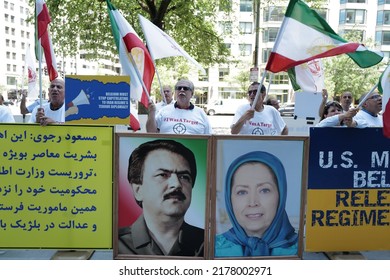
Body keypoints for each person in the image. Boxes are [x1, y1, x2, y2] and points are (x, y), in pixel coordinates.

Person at [118, 139, 204, 256]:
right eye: (163, 175)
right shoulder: (116, 244)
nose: (177, 184)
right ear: (138, 190)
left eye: (184, 177)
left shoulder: (210, 243)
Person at [215, 151, 298, 257]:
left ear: (281, 195)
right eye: (242, 192)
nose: (253, 202)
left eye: (264, 190)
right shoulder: (211, 248)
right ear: (229, 199)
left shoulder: (302, 250)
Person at [146, 79, 212, 134]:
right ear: (175, 92)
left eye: (185, 88)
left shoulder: (201, 113)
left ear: (192, 94)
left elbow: (209, 137)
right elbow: (151, 132)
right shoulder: (164, 110)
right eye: (179, 88)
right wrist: (151, 113)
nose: (182, 90)